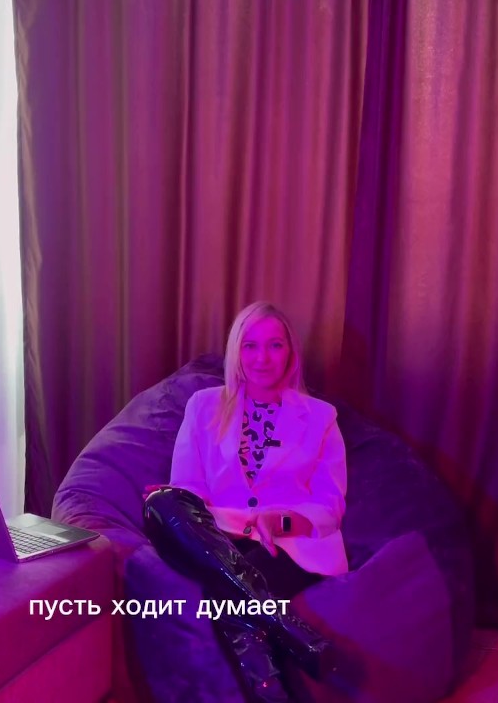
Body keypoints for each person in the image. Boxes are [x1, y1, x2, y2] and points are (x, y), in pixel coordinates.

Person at [143, 301, 350, 702]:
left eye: (275, 345)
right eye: (250, 345)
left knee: (228, 598)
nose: (261, 358)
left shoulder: (321, 418)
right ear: (236, 351)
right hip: (220, 536)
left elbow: (330, 505)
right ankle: (289, 629)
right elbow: (188, 487)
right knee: (161, 502)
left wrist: (281, 521)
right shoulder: (203, 405)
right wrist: (173, 504)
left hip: (287, 545)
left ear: (291, 353)